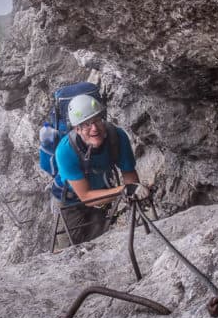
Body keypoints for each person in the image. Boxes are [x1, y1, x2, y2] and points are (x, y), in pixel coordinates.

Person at [52, 93, 151, 245]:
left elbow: (129, 174)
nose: (94, 129)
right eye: (86, 124)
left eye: (97, 120)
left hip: (103, 197)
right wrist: (125, 190)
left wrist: (135, 193)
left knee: (98, 241)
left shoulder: (117, 137)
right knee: (67, 250)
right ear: (77, 129)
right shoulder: (65, 151)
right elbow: (86, 196)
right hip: (70, 203)